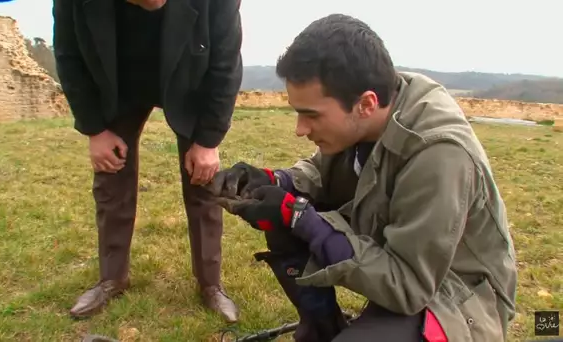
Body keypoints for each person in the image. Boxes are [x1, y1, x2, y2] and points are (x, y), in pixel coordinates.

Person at [206, 13, 518, 341]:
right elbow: (320, 174)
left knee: (296, 219)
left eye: (311, 115)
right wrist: (275, 181)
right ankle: (322, 330)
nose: (300, 130)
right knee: (285, 220)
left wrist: (301, 217)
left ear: (366, 104)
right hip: (400, 260)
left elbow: (408, 285)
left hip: (456, 295)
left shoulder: (439, 153)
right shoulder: (368, 106)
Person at [52, 0, 242, 322]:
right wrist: (95, 130)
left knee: (202, 178)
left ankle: (210, 284)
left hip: (189, 82)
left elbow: (225, 65)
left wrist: (208, 141)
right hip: (118, 85)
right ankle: (112, 278)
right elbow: (69, 57)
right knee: (111, 177)